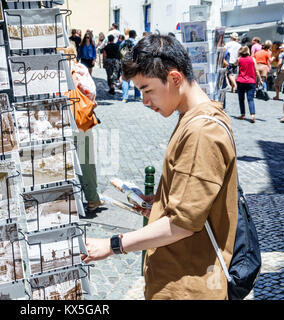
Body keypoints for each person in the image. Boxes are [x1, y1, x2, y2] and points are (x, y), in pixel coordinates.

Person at [82, 34, 238, 300]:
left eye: (147, 89)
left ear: (175, 78)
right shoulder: (196, 116)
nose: (144, 101)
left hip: (187, 286)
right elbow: (196, 199)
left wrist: (113, 244)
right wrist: (160, 203)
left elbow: (182, 225)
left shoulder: (201, 130)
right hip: (180, 276)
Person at [236, 46, 261, 123]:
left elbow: (234, 64)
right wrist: (260, 80)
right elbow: (256, 71)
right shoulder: (252, 59)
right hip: (251, 81)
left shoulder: (239, 59)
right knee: (250, 99)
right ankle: (252, 115)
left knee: (241, 99)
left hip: (241, 81)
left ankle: (243, 114)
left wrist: (238, 55)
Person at [119, 30, 141, 102]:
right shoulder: (136, 43)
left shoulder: (123, 42)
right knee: (136, 80)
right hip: (134, 63)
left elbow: (120, 52)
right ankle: (137, 96)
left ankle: (125, 97)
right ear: (134, 35)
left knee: (125, 80)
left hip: (125, 63)